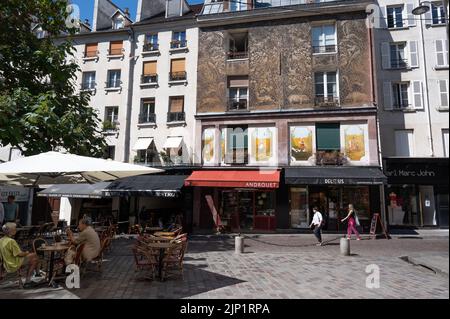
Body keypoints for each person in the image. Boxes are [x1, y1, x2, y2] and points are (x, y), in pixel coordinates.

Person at [0, 223, 39, 288]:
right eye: (15, 229)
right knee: (34, 257)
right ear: (11, 231)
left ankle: (36, 274)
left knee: (32, 256)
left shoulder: (1, 240)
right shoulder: (11, 241)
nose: (16, 230)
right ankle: (28, 281)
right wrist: (26, 252)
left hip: (6, 263)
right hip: (13, 263)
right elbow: (19, 254)